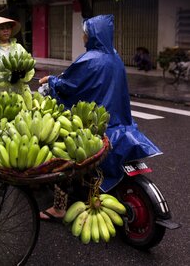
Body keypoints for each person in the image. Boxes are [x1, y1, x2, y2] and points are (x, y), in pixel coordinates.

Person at [38, 14, 161, 221]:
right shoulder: (116, 58)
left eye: (85, 34)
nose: (83, 38)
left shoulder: (89, 60)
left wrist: (50, 80)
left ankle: (59, 208)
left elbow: (68, 86)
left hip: (95, 126)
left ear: (93, 36)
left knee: (61, 157)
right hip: (120, 124)